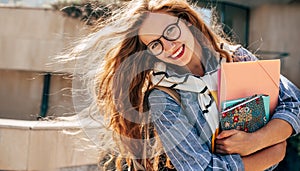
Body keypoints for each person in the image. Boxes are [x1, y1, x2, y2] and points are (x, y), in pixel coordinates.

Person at [69, 0, 300, 170]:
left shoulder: (236, 58)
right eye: (156, 44)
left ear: (187, 22)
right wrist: (271, 151)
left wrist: (255, 142)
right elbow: (198, 168)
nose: (168, 47)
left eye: (170, 31)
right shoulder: (163, 97)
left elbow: (294, 102)